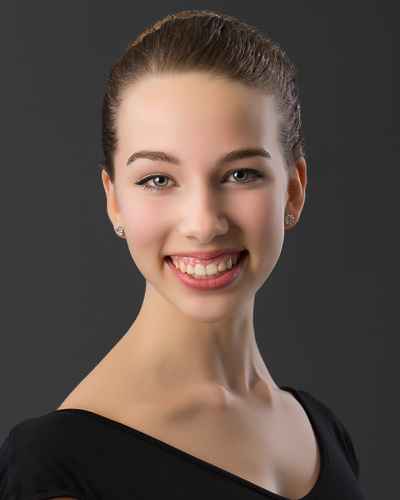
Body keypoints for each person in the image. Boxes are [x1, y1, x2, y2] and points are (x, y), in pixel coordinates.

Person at [0, 10, 365, 500]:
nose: (203, 223)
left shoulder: (324, 431)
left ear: (293, 191)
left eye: (241, 174)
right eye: (158, 179)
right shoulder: (59, 467)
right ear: (114, 200)